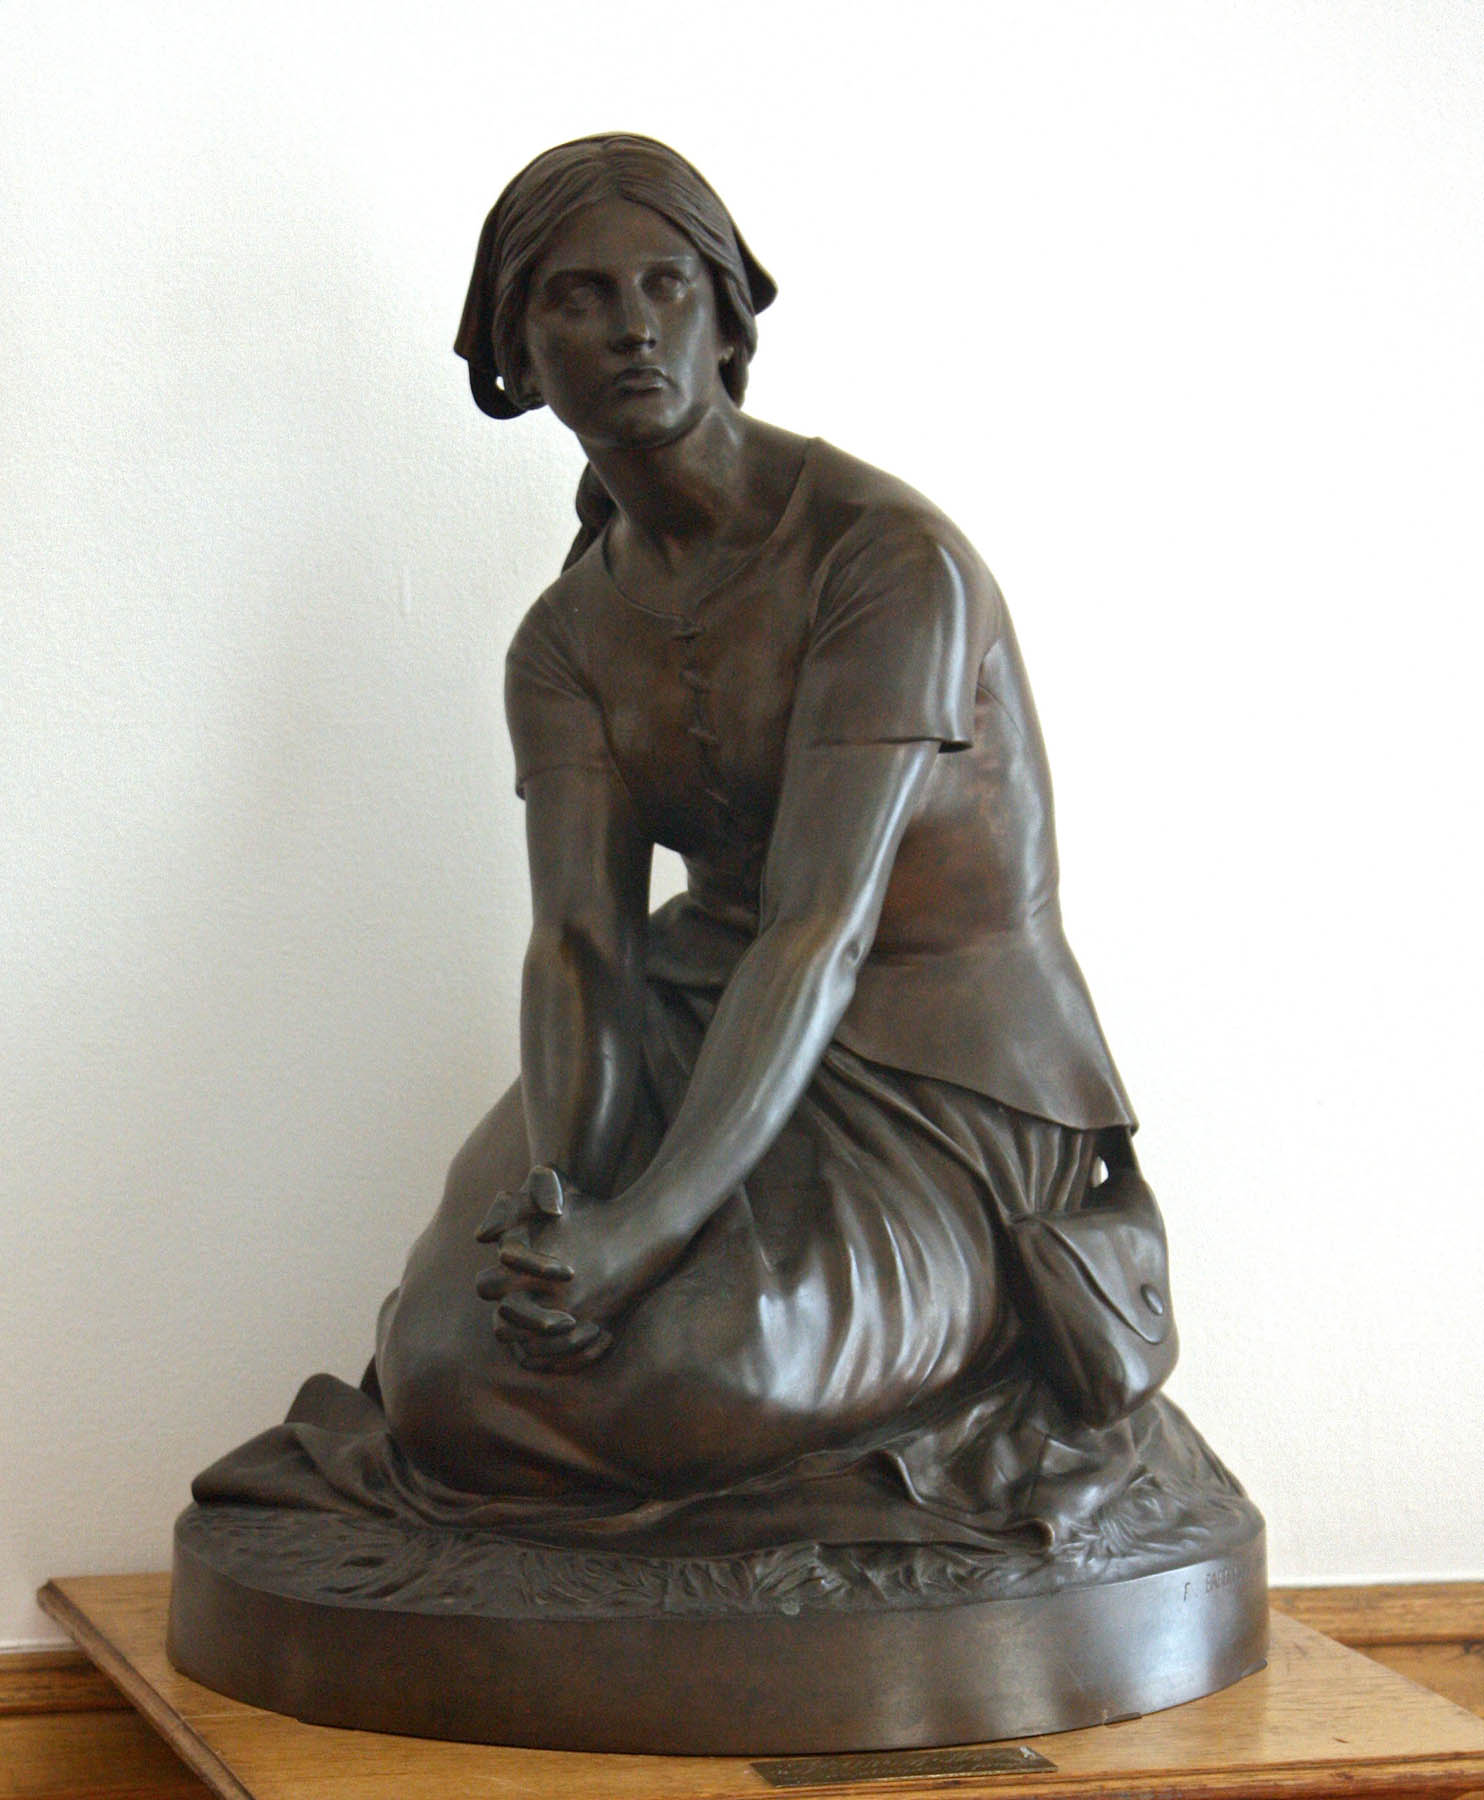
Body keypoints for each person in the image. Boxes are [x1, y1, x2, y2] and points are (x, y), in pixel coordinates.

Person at [196, 135, 1215, 1557]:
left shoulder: (885, 564)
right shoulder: (564, 642)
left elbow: (820, 928)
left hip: (942, 1065)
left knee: (690, 1375)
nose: (625, 327)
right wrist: (567, 1205)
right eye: (572, 298)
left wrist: (646, 1237)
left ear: (729, 319)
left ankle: (985, 1319)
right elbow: (583, 948)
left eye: (665, 285)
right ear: (511, 356)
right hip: (701, 1010)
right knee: (443, 1371)